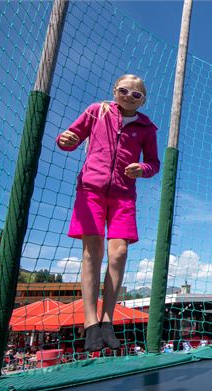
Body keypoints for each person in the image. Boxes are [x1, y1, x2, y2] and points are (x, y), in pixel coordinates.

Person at [57, 74, 160, 352]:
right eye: (124, 90)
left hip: (123, 194)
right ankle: (90, 323)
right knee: (93, 251)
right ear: (115, 91)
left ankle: (107, 320)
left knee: (119, 253)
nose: (129, 96)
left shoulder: (147, 128)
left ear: (143, 100)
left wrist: (143, 169)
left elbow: (153, 163)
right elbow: (71, 138)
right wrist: (64, 140)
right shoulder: (96, 111)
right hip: (91, 188)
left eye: (136, 94)